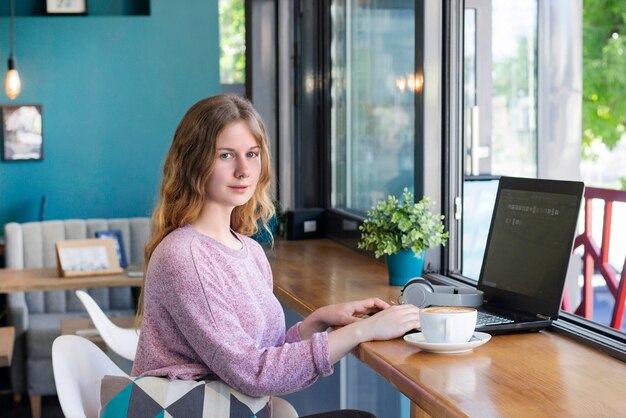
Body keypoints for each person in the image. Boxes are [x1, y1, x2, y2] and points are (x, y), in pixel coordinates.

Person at [132, 94, 422, 416]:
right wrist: (364, 331)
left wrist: (317, 321)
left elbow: (260, 353)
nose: (243, 170)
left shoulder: (248, 250)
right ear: (192, 163)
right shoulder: (184, 257)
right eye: (226, 155)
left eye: (252, 154)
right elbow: (255, 374)